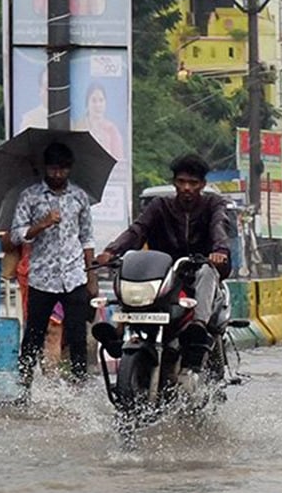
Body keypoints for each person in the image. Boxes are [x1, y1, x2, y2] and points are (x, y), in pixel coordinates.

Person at [94, 154, 231, 371]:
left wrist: (219, 250)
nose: (187, 187)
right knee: (130, 266)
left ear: (202, 185)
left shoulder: (213, 205)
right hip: (163, 274)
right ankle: (117, 331)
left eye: (193, 183)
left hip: (198, 270)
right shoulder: (160, 206)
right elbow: (137, 230)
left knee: (206, 271)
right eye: (182, 182)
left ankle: (198, 328)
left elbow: (219, 228)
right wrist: (112, 251)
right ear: (174, 182)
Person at [11, 141, 97, 389]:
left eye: (62, 169)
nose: (57, 174)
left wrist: (91, 277)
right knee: (34, 335)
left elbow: (87, 237)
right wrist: (42, 224)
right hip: (42, 277)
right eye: (53, 169)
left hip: (73, 275)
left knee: (78, 335)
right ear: (45, 168)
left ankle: (79, 386)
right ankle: (24, 386)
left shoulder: (79, 196)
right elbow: (17, 234)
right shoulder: (30, 197)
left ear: (69, 169)